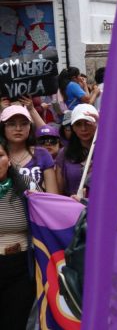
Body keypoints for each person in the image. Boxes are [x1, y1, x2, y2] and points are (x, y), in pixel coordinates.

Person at [0, 140, 38, 330]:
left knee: (16, 323)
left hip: (21, 268)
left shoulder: (26, 189)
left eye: (0, 156)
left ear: (9, 160)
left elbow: (49, 211)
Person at [0, 106, 56, 193]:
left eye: (24, 123)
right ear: (3, 127)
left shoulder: (42, 154)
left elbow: (53, 195)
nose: (18, 128)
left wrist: (38, 196)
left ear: (30, 127)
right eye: (11, 124)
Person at [55, 104, 98, 196]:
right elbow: (58, 192)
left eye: (88, 123)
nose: (83, 129)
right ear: (73, 127)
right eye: (78, 124)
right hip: (71, 204)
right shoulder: (64, 153)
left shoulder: (108, 151)